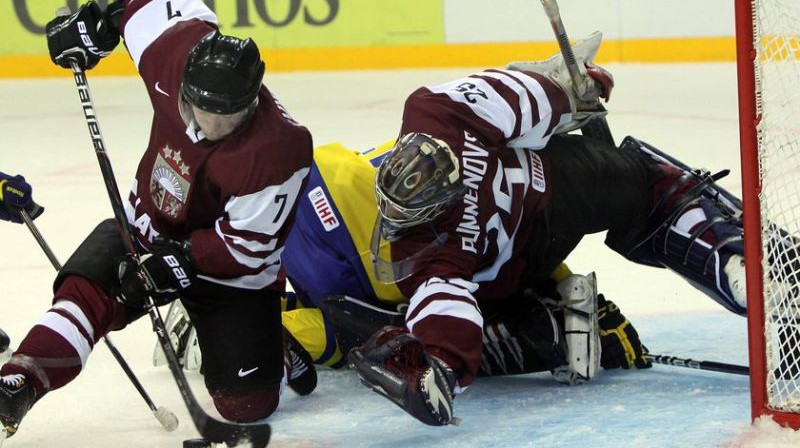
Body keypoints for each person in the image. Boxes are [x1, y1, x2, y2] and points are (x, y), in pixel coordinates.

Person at [344, 36, 750, 427]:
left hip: (537, 234)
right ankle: (725, 252)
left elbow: (444, 302)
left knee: (639, 186)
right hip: (560, 190)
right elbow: (512, 98)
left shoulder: (431, 237)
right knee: (649, 185)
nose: (397, 226)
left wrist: (442, 366)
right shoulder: (435, 113)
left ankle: (550, 317)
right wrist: (565, 95)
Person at [0, 0, 315, 442]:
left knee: (246, 405)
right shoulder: (174, 51)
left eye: (229, 116)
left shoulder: (278, 149)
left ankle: (272, 344)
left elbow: (247, 248)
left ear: (251, 100)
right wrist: (99, 22)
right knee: (87, 296)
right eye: (203, 109)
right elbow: (145, 6)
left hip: (228, 271)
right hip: (148, 224)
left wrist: (181, 262)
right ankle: (20, 381)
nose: (212, 125)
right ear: (184, 86)